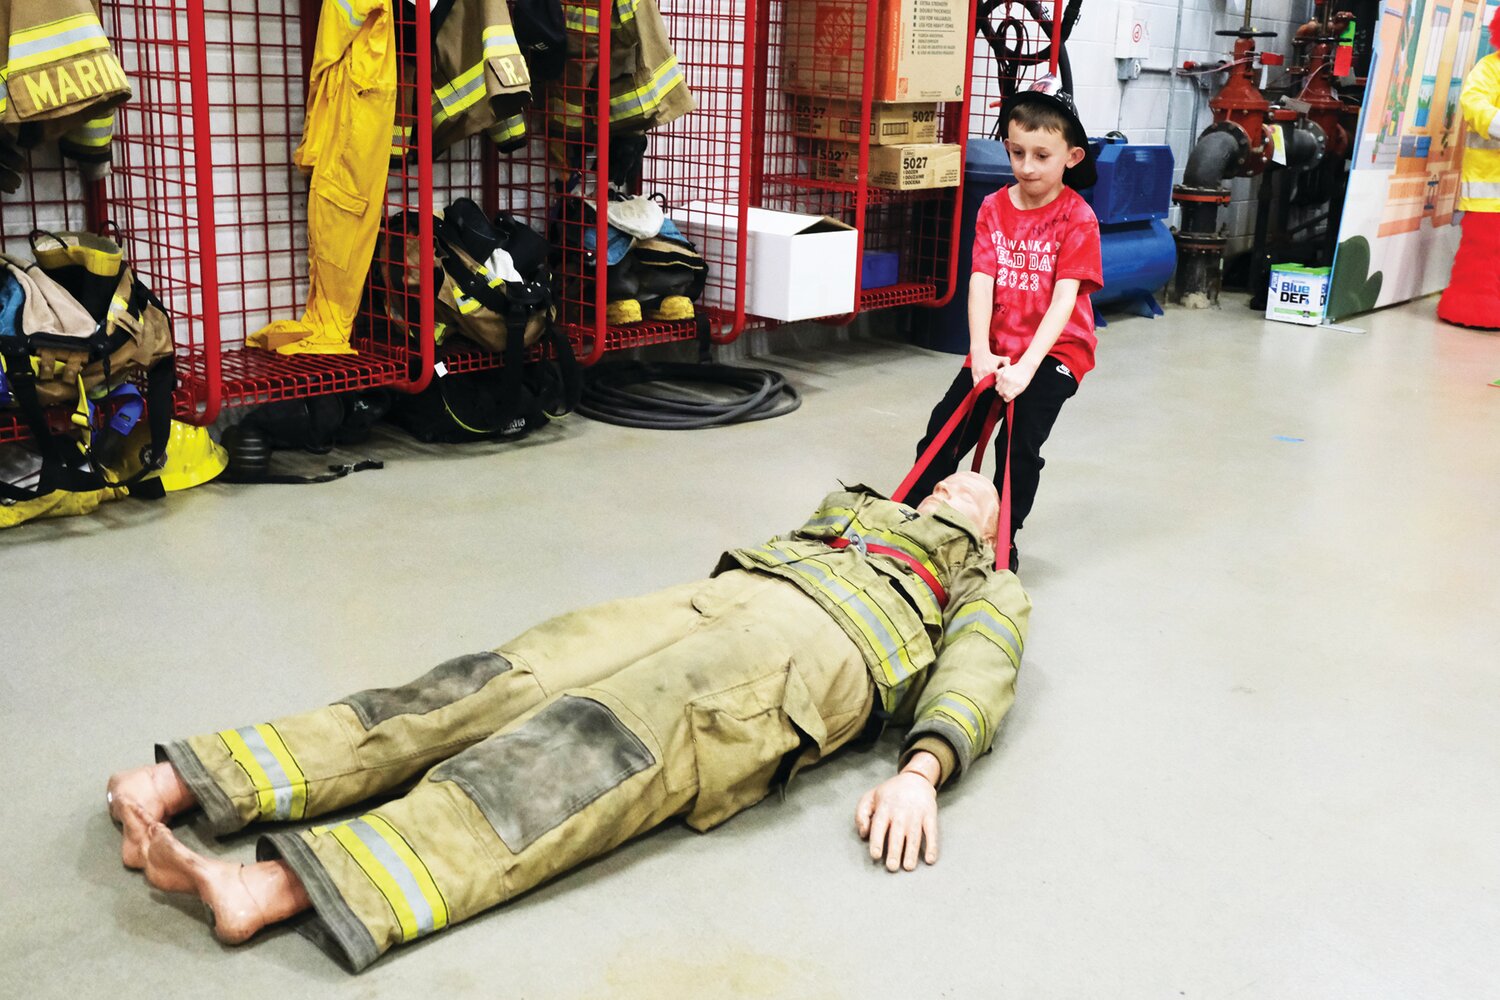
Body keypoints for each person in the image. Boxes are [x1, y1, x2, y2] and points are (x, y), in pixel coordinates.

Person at [107, 472, 1030, 973]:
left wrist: (922, 771)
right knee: (499, 678)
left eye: (976, 492)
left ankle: (275, 889)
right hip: (717, 597)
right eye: (949, 479)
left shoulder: (987, 583)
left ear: (994, 529)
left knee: (588, 747)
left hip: (805, 654)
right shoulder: (859, 511)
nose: (959, 483)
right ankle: (193, 779)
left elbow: (981, 671)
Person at [909, 74, 1103, 571]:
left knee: (1018, 447)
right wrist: (978, 354)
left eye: (1042, 155)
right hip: (995, 347)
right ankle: (909, 517)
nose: (1026, 166)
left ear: (1071, 157)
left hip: (1055, 351)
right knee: (942, 433)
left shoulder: (1077, 218)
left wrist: (1026, 368)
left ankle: (1003, 538)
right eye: (1017, 153)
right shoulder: (994, 207)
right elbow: (980, 282)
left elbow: (1065, 300)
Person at [1437, 8, 1500, 330]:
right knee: (1484, 254)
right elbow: (1473, 103)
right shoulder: (1490, 68)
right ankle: (1475, 308)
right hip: (1491, 192)